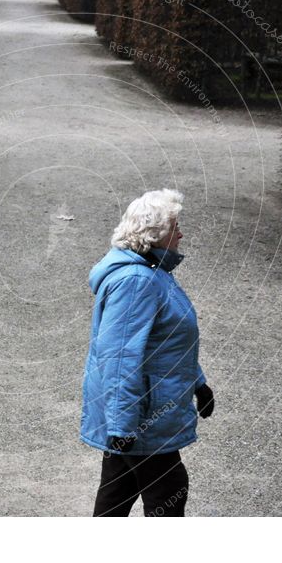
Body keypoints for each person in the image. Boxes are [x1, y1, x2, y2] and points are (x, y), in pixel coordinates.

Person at [80, 188, 214, 517]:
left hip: (141, 412)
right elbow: (119, 358)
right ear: (154, 235)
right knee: (170, 491)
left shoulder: (155, 273)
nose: (181, 232)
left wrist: (199, 383)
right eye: (174, 226)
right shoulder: (137, 282)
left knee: (117, 493)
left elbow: (169, 342)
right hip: (140, 418)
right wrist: (123, 427)